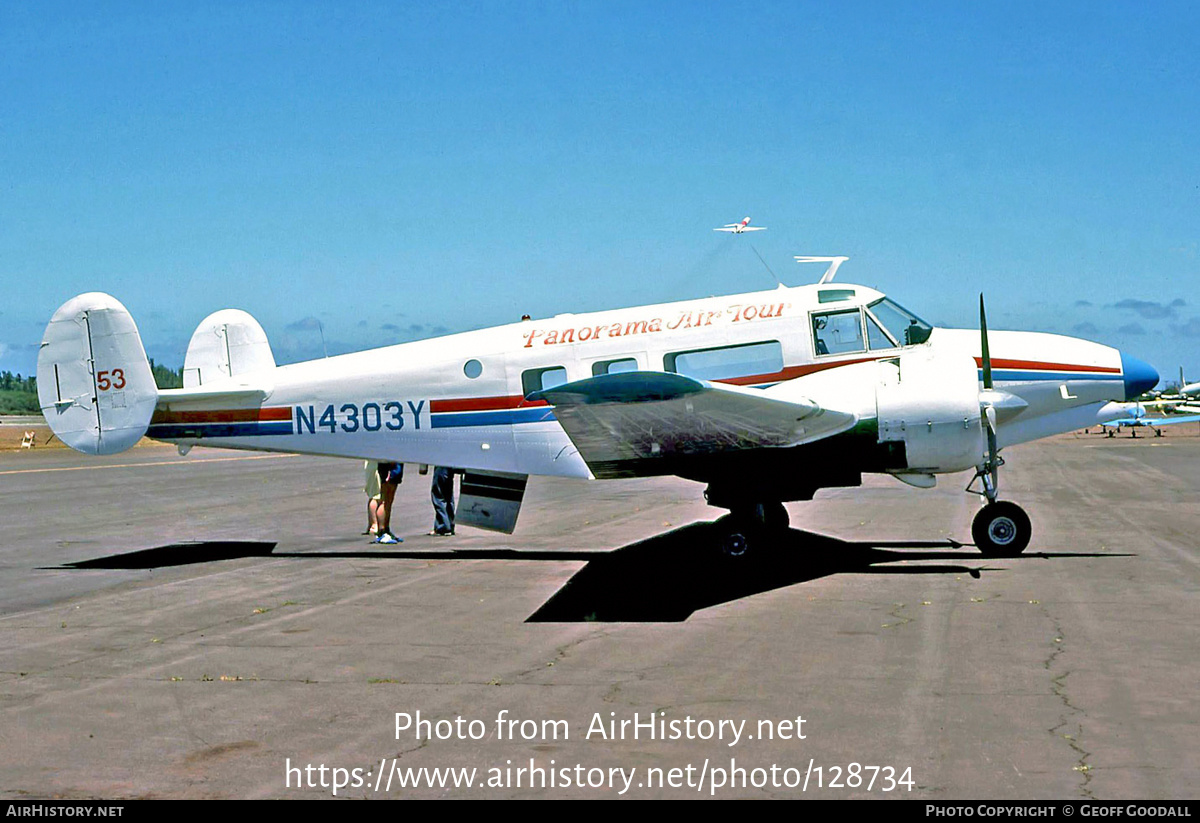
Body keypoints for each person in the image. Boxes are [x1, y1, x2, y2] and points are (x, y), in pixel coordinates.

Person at [374, 462, 404, 544]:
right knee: (384, 499)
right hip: (388, 462)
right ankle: (381, 532)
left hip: (396, 461)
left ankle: (386, 529)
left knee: (389, 499)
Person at [429, 466, 457, 536]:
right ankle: (450, 524)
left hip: (442, 464)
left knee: (439, 494)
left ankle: (443, 526)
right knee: (448, 495)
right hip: (451, 464)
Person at [363, 460, 382, 536]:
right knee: (376, 496)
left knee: (374, 495)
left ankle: (371, 524)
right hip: (376, 467)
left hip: (371, 466)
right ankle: (374, 525)